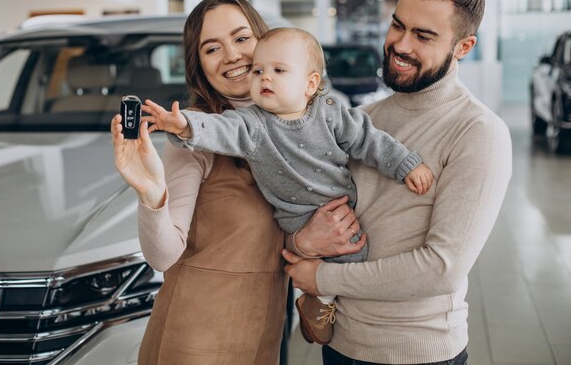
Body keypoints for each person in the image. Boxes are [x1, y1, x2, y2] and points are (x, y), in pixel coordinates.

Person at [141, 26, 434, 345]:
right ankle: (320, 302)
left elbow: (369, 139)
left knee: (355, 251)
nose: (265, 78)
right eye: (258, 71)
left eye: (278, 70)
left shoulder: (332, 113)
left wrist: (406, 163)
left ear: (310, 84)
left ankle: (320, 302)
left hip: (340, 209)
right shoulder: (252, 124)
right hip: (295, 217)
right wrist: (183, 125)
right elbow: (218, 129)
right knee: (336, 261)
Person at [282, 0, 513, 365]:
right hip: (339, 344)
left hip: (418, 354)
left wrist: (322, 277)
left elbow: (442, 268)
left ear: (463, 47)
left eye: (423, 35)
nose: (401, 44)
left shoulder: (478, 132)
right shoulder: (361, 119)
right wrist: (303, 242)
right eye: (397, 25)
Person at [111, 0, 290, 365]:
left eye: (242, 38)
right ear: (199, 66)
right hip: (197, 338)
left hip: (265, 331)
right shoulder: (192, 134)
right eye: (212, 48)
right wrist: (151, 193)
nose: (232, 56)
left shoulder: (293, 126)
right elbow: (163, 256)